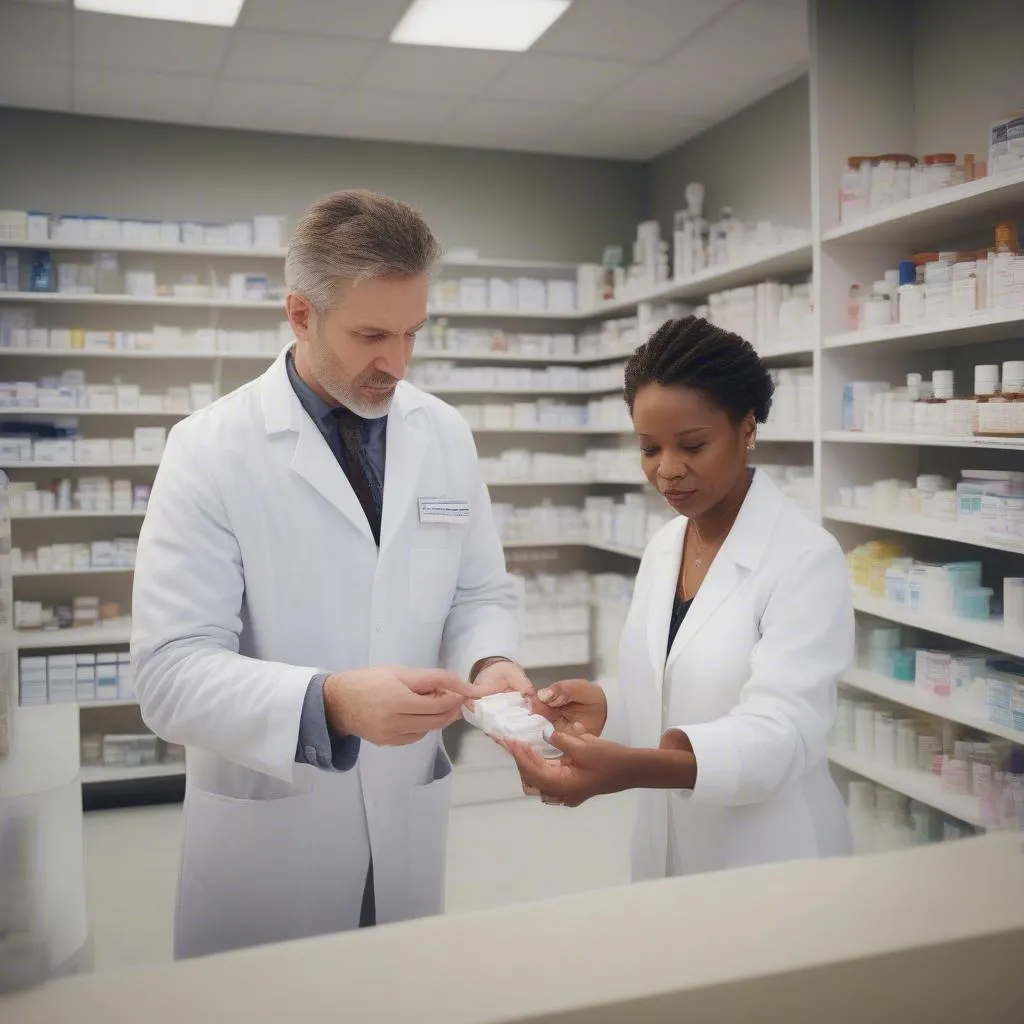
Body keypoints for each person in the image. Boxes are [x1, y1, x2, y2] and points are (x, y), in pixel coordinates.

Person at [131, 189, 529, 959]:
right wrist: (331, 703)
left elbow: (479, 591)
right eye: (372, 334)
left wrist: (492, 660)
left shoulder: (442, 433)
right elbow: (168, 674)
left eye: (414, 332)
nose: (398, 363)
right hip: (274, 834)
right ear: (301, 315)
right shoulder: (209, 450)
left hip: (406, 812)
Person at [505, 316, 854, 878]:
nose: (667, 471)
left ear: (746, 430)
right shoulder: (667, 543)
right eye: (649, 448)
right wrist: (607, 706)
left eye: (692, 445)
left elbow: (783, 735)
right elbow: (673, 684)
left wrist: (636, 769)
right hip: (667, 851)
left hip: (773, 861)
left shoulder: (805, 558)